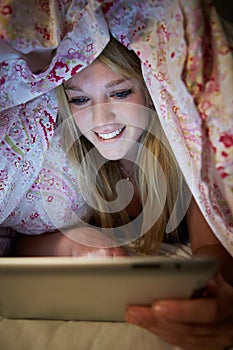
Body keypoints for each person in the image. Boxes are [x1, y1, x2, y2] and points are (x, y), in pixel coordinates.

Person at [12, 37, 233, 350]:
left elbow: (211, 246)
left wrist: (209, 287)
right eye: (79, 100)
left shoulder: (185, 153)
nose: (101, 119)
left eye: (120, 92)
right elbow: (21, 247)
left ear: (149, 90)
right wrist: (73, 245)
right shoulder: (68, 163)